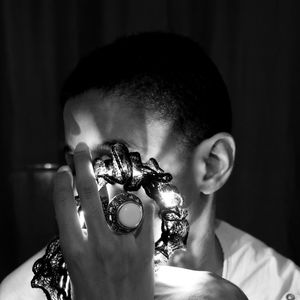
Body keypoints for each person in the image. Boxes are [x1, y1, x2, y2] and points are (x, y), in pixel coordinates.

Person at [0, 32, 299, 300]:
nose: (90, 190)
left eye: (114, 161)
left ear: (212, 165)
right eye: (77, 165)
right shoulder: (22, 293)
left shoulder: (283, 288)